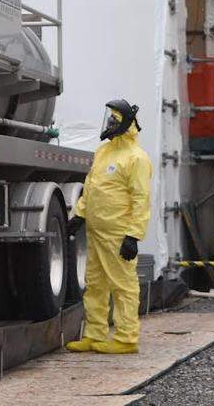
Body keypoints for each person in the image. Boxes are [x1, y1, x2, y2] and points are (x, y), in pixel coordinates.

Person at [65, 99, 152, 354]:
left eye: (114, 119)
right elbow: (91, 186)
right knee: (95, 284)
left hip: (117, 233)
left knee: (123, 286)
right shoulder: (103, 151)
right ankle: (94, 334)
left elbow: (141, 199)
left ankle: (126, 338)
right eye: (109, 119)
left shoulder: (137, 158)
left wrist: (133, 236)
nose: (110, 124)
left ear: (125, 121)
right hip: (96, 231)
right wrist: (79, 215)